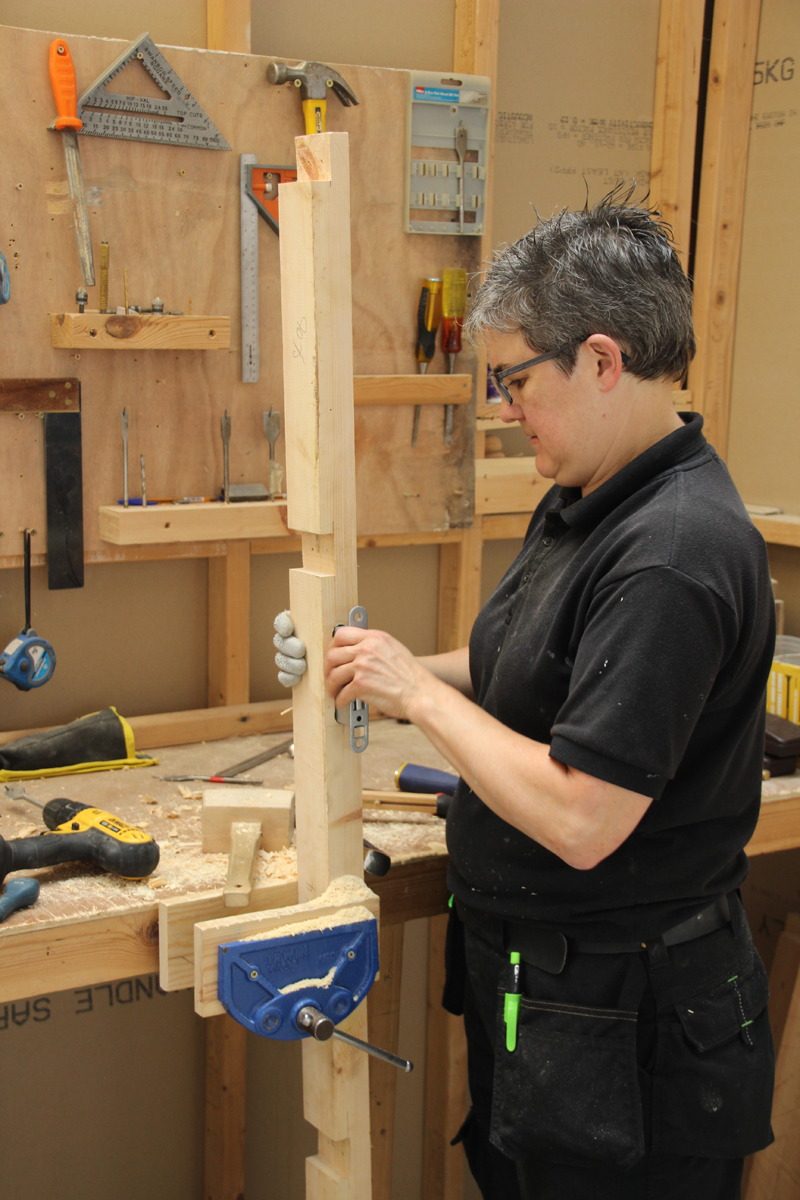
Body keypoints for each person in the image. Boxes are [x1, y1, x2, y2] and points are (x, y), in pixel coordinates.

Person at [274, 189, 776, 1199]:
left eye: (514, 380)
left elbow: (584, 817)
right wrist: (374, 661)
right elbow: (523, 664)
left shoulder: (671, 554)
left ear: (601, 360)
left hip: (629, 1019)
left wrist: (415, 695)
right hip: (550, 989)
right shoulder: (590, 494)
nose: (503, 410)